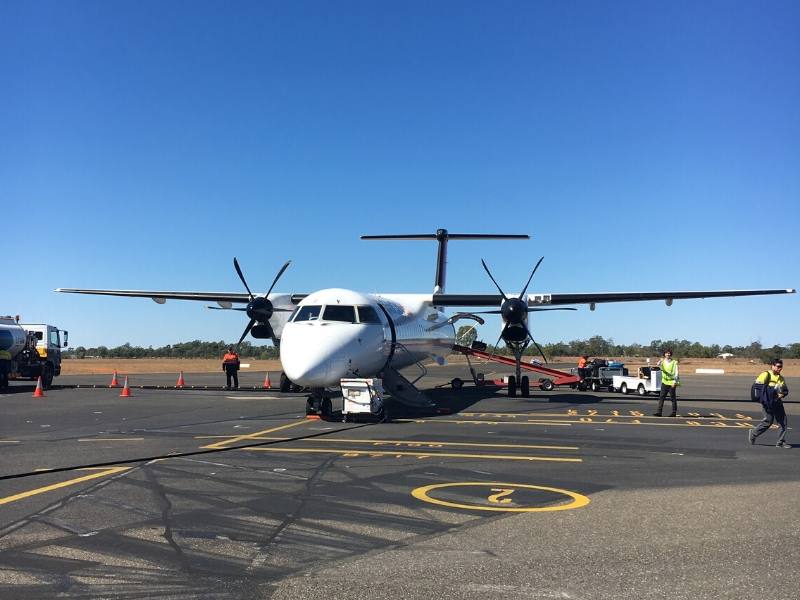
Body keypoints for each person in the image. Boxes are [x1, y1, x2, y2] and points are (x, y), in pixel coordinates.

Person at [749, 358, 790, 448]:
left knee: (783, 422)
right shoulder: (765, 375)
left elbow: (785, 390)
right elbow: (758, 387)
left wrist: (782, 394)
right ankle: (753, 433)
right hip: (767, 402)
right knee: (768, 421)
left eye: (781, 367)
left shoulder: (781, 378)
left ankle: (781, 442)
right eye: (778, 366)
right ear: (772, 366)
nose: (780, 368)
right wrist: (773, 390)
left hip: (777, 402)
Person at [654, 349, 679, 417]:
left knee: (673, 398)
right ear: (664, 354)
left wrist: (675, 382)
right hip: (664, 382)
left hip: (671, 382)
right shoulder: (663, 361)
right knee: (661, 397)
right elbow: (658, 365)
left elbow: (676, 373)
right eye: (666, 353)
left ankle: (674, 412)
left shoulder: (674, 362)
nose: (668, 354)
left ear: (671, 354)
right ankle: (659, 412)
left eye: (669, 353)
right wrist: (660, 360)